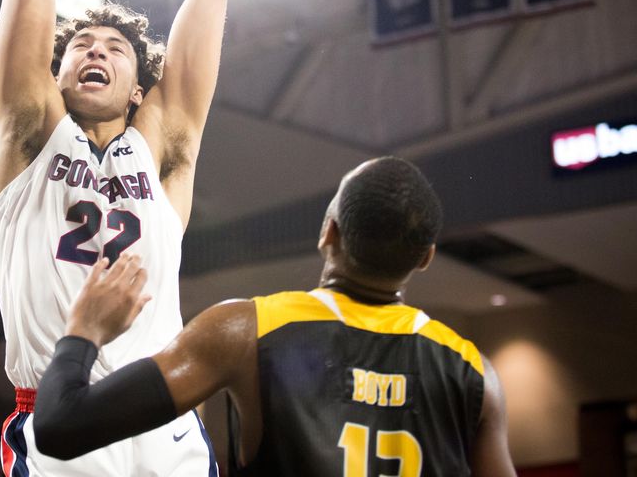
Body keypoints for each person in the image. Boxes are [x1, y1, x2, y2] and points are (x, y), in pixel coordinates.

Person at [0, 0, 236, 476]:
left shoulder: (162, 147)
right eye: (80, 46)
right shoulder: (31, 135)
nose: (95, 51)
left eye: (114, 49)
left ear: (139, 89)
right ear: (56, 77)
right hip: (62, 411)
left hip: (165, 417)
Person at [33, 157, 519, 477]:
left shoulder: (246, 330)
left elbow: (60, 427)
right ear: (426, 257)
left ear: (329, 232)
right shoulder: (473, 371)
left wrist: (83, 332)